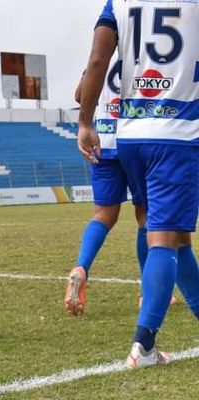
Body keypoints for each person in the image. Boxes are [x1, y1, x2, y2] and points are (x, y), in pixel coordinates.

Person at [78, 0, 199, 368]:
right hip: (178, 131)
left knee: (177, 238)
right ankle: (144, 346)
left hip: (131, 134)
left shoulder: (120, 1)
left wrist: (85, 122)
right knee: (164, 236)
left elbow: (97, 62)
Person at [64, 62, 175, 316]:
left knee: (103, 214)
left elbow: (80, 95)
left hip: (102, 140)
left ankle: (81, 267)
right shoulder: (141, 54)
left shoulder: (101, 59)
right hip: (134, 139)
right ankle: (149, 292)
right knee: (145, 216)